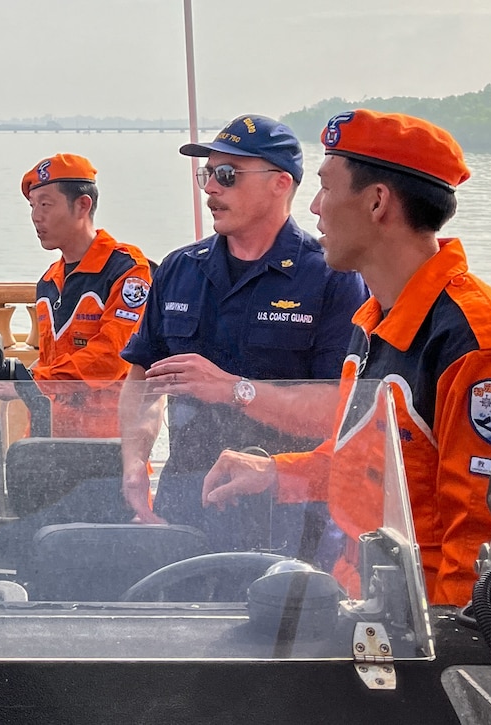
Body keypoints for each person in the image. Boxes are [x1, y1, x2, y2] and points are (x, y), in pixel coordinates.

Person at [202, 110, 491, 606]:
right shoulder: (372, 321)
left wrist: (444, 660)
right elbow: (361, 466)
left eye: (325, 187)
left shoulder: (476, 344)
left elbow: (478, 546)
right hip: (360, 602)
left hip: (422, 635)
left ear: (377, 202)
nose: (315, 207)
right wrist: (276, 472)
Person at [118, 114, 369, 556]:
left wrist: (235, 391)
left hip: (288, 513)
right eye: (207, 175)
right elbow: (143, 380)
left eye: (227, 175)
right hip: (186, 500)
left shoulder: (333, 277)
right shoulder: (179, 268)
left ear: (280, 183)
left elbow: (344, 411)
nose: (211, 187)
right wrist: (135, 462)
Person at [19, 153, 154, 438]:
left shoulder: (127, 272)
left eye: (45, 204)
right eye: (32, 206)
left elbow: (112, 357)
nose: (36, 216)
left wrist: (33, 382)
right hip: (48, 436)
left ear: (82, 205)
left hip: (109, 444)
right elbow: (47, 360)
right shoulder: (48, 281)